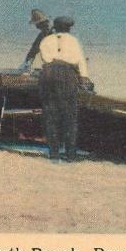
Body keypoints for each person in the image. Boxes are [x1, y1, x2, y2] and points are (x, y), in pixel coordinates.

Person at [37, 16, 88, 161]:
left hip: (48, 74)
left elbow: (45, 58)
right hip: (66, 74)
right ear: (68, 28)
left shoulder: (46, 40)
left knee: (50, 114)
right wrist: (84, 78)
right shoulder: (73, 40)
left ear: (55, 27)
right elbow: (80, 61)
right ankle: (70, 154)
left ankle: (54, 153)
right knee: (69, 115)